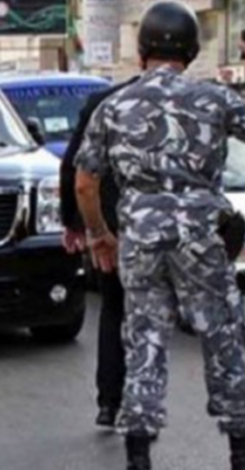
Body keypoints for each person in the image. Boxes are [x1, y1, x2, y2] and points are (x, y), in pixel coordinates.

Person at [75, 2, 245, 469]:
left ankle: (138, 451)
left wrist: (100, 235)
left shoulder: (114, 105)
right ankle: (239, 447)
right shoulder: (216, 99)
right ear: (192, 51)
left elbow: (85, 182)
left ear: (141, 49)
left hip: (140, 240)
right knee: (223, 335)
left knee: (144, 338)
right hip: (201, 238)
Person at [60, 75, 138, 428]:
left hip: (112, 224)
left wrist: (74, 223)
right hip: (170, 231)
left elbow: (74, 166)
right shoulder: (191, 100)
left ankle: (109, 401)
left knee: (114, 308)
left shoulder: (104, 102)